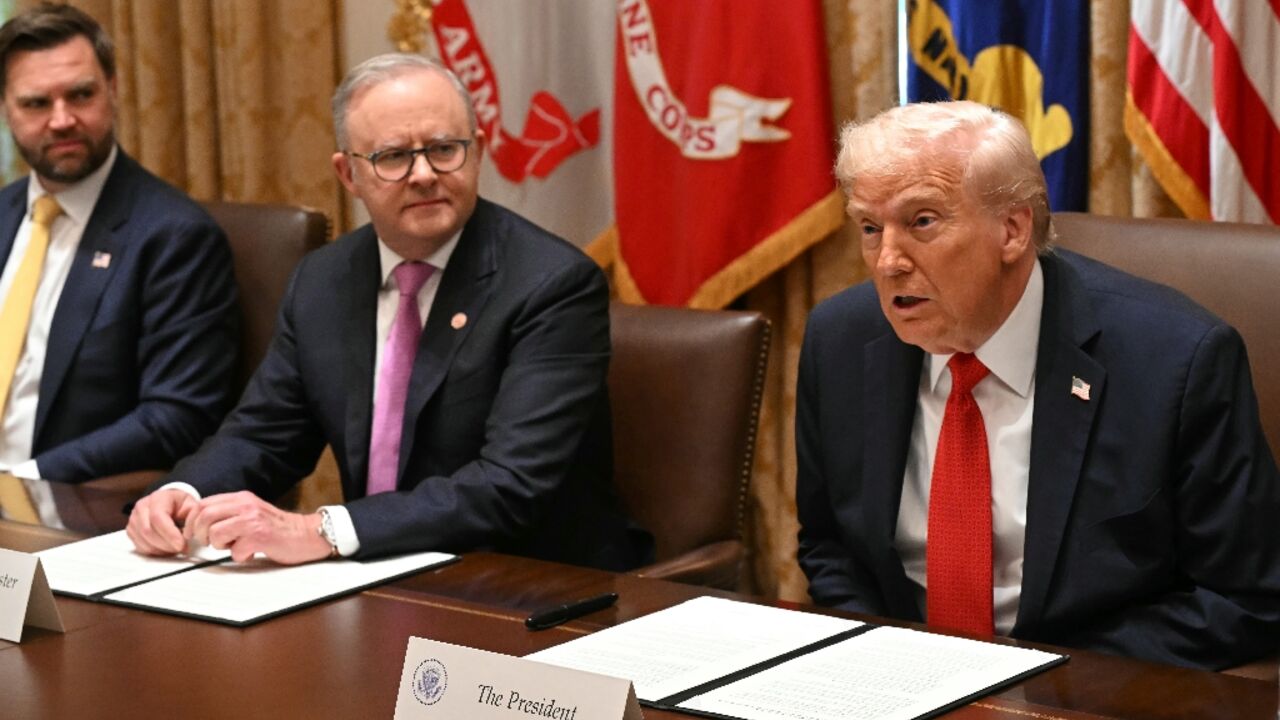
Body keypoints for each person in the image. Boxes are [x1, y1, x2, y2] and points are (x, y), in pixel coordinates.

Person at [795, 100, 1280, 670]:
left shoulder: (1176, 361)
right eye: (871, 228)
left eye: (922, 221)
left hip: (1082, 688)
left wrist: (1038, 680)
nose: (887, 262)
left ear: (1012, 229)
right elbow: (830, 549)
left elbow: (1249, 601)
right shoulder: (841, 341)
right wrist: (883, 665)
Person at [126, 54, 648, 570]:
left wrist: (320, 529)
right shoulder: (323, 280)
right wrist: (184, 491)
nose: (424, 174)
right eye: (393, 157)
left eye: (445, 149)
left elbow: (509, 484)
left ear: (479, 151)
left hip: (524, 583)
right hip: (375, 575)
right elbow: (264, 432)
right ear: (348, 174)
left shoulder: (552, 285)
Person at [0, 4, 238, 483]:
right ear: (6, 108)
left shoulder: (173, 236)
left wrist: (20, 484)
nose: (62, 120)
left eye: (81, 95)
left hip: (56, 511)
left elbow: (175, 418)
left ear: (113, 90)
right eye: (36, 103)